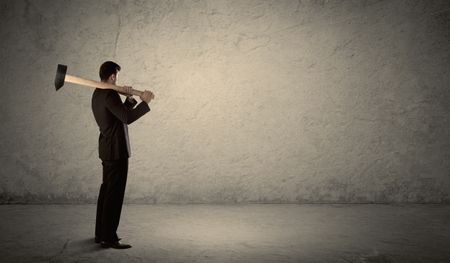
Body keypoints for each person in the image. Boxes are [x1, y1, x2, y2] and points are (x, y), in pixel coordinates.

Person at [91, 61, 154, 249]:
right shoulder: (109, 93)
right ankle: (108, 238)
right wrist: (145, 102)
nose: (117, 79)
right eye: (116, 76)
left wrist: (129, 98)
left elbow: (118, 115)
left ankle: (100, 234)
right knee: (114, 195)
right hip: (116, 151)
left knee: (106, 192)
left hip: (107, 149)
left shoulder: (98, 92)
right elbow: (127, 118)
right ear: (112, 76)